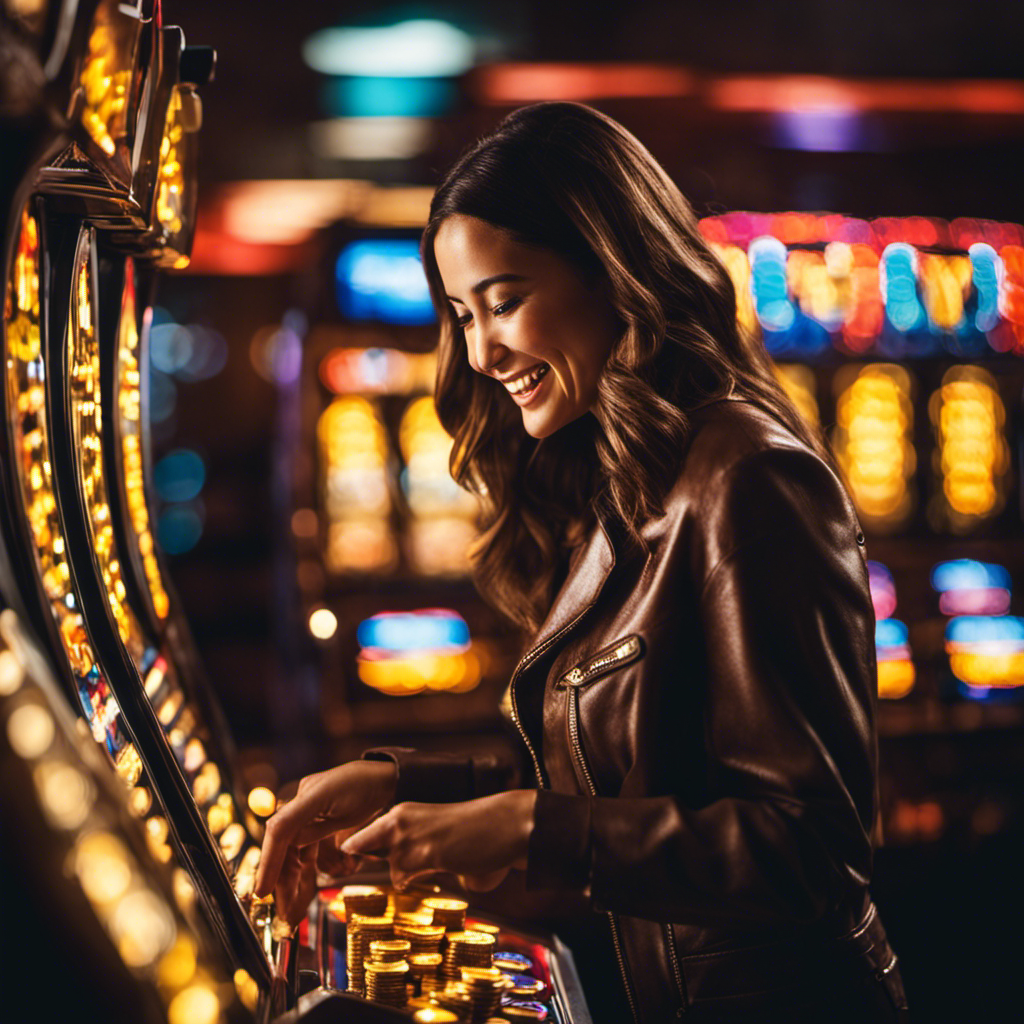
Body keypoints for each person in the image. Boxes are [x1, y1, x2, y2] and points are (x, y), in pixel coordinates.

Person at [255, 101, 909, 1023]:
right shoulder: (633, 470)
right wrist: (404, 781)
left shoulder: (749, 477)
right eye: (460, 315)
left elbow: (811, 848)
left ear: (612, 271)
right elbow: (613, 776)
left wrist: (532, 832)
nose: (480, 351)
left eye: (505, 301)